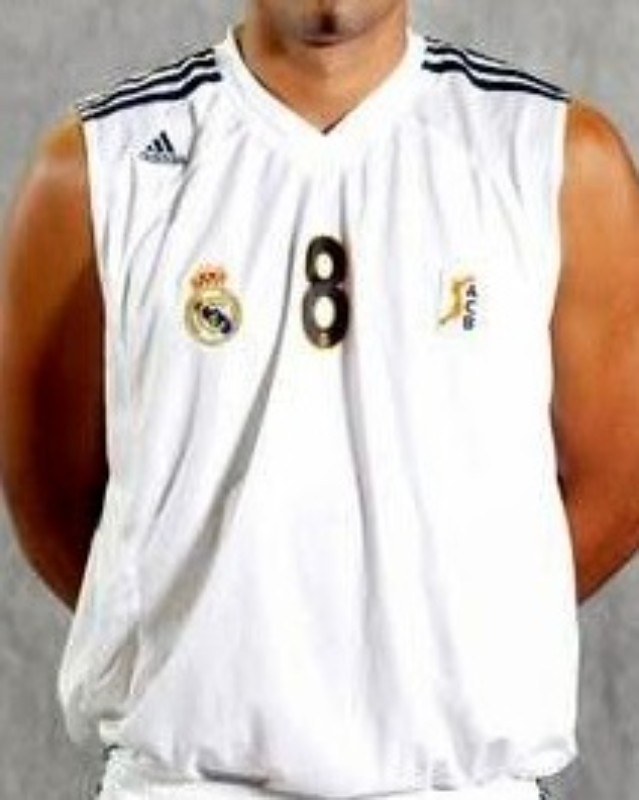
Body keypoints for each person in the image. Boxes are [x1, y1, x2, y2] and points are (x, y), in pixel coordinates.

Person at [1, 1, 639, 798]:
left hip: (455, 782)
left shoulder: (555, 157)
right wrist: (214, 621)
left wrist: (441, 619)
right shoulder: (97, 166)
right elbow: (52, 503)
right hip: (187, 783)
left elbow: (617, 488)